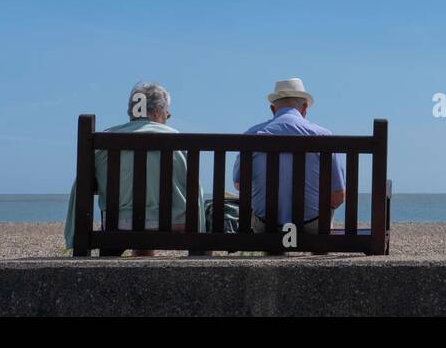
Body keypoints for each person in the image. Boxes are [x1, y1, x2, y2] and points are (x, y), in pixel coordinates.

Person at [65, 82, 206, 256]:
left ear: (132, 112)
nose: (167, 117)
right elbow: (194, 190)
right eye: (167, 114)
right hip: (170, 222)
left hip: (117, 224)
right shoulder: (178, 142)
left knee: (136, 219)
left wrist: (74, 235)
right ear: (155, 113)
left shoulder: (104, 143)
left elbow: (81, 185)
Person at [233, 78, 345, 236]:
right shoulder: (323, 136)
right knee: (324, 217)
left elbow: (239, 185)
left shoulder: (251, 136)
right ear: (305, 107)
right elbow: (338, 195)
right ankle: (319, 251)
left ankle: (274, 252)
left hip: (266, 226)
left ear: (273, 109)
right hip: (311, 226)